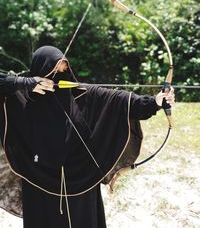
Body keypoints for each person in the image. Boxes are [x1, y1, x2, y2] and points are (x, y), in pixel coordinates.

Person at [0, 46, 175, 228]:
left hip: (80, 178)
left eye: (64, 69)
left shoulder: (83, 95)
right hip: (39, 180)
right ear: (39, 72)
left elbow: (122, 102)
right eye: (53, 71)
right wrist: (24, 83)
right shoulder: (21, 99)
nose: (60, 75)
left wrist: (155, 102)